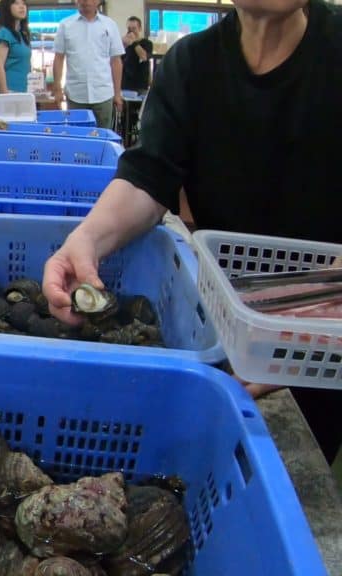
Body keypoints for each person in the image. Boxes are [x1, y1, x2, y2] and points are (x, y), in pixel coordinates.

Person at [42, 0, 342, 462]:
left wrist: (320, 317)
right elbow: (150, 175)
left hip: (325, 348)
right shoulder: (191, 63)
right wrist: (86, 240)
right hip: (219, 325)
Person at [51, 0, 124, 129]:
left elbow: (116, 61)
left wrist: (117, 94)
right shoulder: (65, 25)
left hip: (103, 94)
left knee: (103, 139)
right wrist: (57, 89)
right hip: (75, 95)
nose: (85, 1)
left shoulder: (110, 25)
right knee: (78, 139)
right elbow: (58, 58)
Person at [0, 0, 32, 94]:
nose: (22, 7)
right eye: (16, 3)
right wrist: (5, 94)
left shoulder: (22, 34)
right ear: (7, 7)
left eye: (24, 4)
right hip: (7, 90)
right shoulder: (4, 33)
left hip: (22, 91)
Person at [121, 16, 153, 92]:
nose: (131, 31)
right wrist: (123, 45)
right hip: (125, 84)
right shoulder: (124, 43)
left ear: (140, 29)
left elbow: (144, 57)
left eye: (134, 28)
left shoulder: (147, 43)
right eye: (129, 28)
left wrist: (134, 42)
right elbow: (117, 59)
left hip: (140, 85)